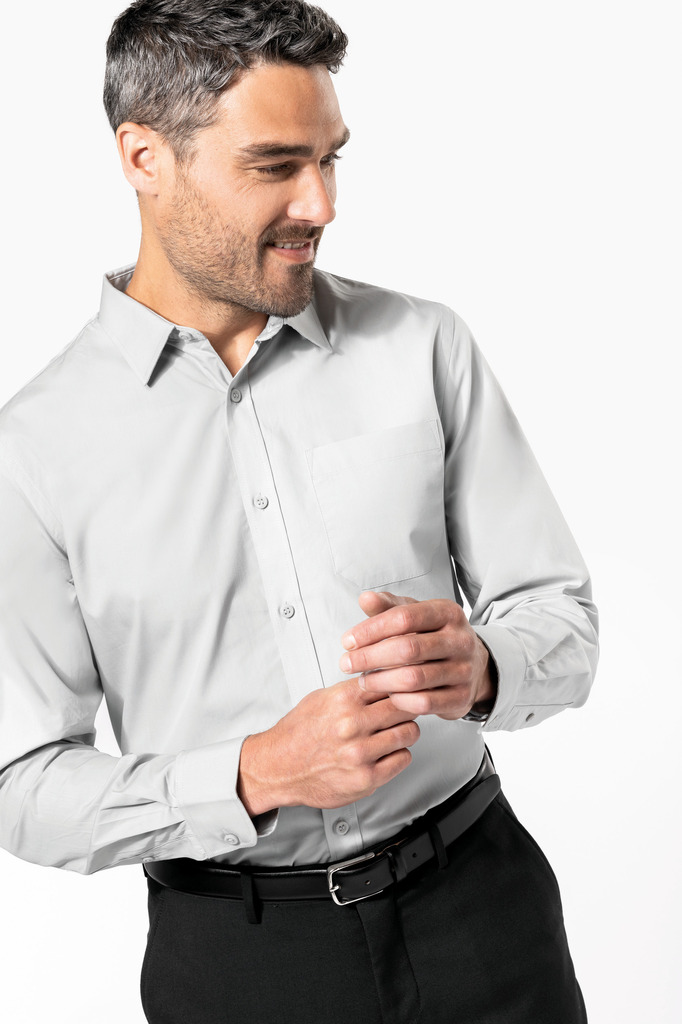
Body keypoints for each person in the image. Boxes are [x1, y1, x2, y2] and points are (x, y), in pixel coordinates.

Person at [0, 1, 599, 1021]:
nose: (320, 203)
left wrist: (484, 666)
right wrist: (252, 774)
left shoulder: (421, 345)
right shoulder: (32, 452)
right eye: (275, 165)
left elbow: (563, 620)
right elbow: (21, 786)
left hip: (483, 911)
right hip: (241, 964)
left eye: (330, 159)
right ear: (145, 158)